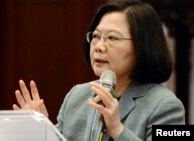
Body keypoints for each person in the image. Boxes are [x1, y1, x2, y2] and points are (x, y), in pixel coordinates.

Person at [12, 0, 185, 141]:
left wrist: (118, 130)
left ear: (142, 46)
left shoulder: (166, 106)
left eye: (112, 38)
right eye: (95, 36)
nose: (99, 46)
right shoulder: (77, 96)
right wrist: (41, 130)